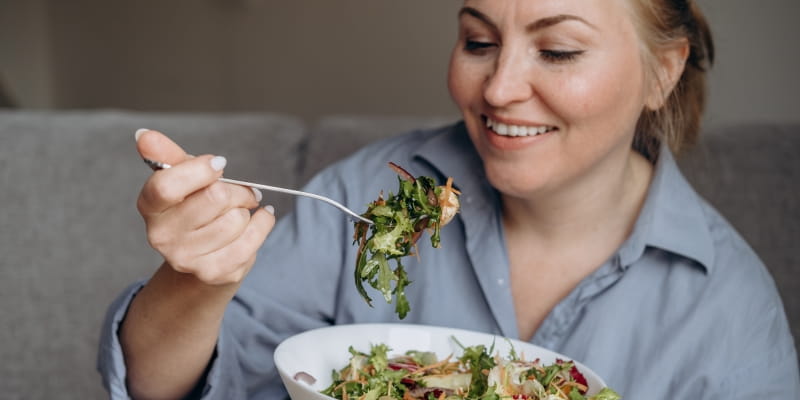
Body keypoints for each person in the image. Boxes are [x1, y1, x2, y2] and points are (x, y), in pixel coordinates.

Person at [98, 0, 800, 398]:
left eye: (557, 51)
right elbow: (181, 388)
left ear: (663, 73)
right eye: (478, 41)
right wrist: (196, 281)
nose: (499, 89)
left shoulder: (728, 311)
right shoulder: (366, 194)